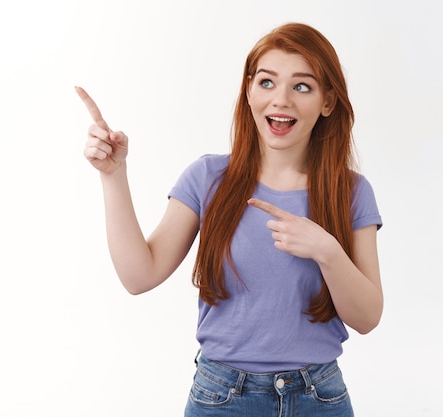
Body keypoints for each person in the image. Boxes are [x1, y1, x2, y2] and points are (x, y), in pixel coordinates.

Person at [76, 22, 382, 417]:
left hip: (318, 397)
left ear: (327, 101)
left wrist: (327, 252)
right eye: (267, 82)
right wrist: (113, 176)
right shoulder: (208, 178)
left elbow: (368, 317)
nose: (282, 100)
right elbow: (139, 276)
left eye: (302, 86)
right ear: (249, 91)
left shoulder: (352, 192)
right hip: (222, 398)